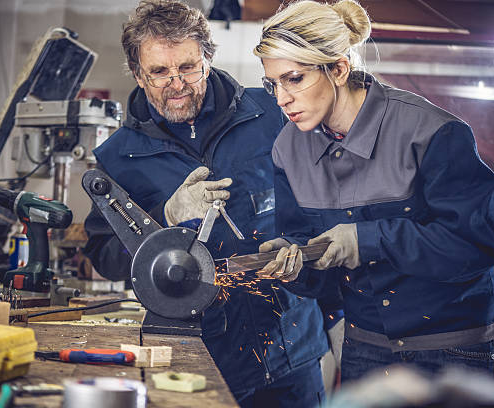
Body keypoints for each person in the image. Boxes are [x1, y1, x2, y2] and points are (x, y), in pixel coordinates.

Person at [83, 1, 341, 406]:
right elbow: (106, 257)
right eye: (159, 72)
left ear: (207, 58)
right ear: (138, 74)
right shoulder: (118, 160)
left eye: (188, 67)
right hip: (195, 359)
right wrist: (166, 217)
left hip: (291, 352)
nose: (177, 83)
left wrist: (304, 256)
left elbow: (327, 206)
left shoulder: (274, 115)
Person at [252, 0, 494, 383]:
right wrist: (296, 263)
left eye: (294, 78)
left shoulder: (431, 132)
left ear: (339, 68)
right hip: (365, 348)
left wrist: (366, 240)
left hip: (451, 350)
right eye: (272, 83)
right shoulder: (288, 150)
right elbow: (316, 267)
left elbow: (483, 242)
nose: (281, 98)